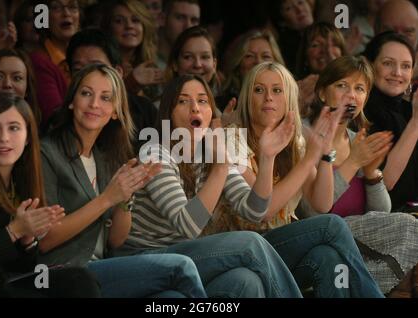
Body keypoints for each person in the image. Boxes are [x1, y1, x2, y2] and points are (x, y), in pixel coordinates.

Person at [114, 73, 305, 298]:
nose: (195, 108)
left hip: (182, 260)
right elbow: (187, 225)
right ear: (169, 113)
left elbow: (255, 210)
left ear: (210, 112)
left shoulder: (212, 152)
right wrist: (221, 166)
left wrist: (267, 157)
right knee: (249, 243)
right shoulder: (156, 153)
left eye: (203, 101)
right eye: (183, 101)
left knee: (246, 281)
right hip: (142, 260)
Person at [203, 61, 384, 297]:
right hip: (239, 248)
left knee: (325, 257)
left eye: (277, 90)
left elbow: (321, 204)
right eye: (259, 90)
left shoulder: (295, 140)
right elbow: (261, 213)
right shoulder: (231, 139)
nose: (269, 97)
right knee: (333, 225)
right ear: (247, 97)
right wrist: (309, 159)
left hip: (276, 247)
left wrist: (325, 153)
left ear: (288, 98)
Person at [38, 63, 207, 298]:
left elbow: (116, 240)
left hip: (102, 268)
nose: (94, 104)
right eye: (86, 93)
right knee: (182, 266)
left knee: (172, 299)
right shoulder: (46, 153)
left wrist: (124, 198)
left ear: (116, 111)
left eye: (106, 98)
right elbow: (45, 240)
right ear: (71, 101)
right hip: (62, 273)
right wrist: (107, 198)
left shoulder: (106, 158)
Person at [300, 55, 418, 296]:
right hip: (315, 240)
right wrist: (353, 162)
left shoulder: (358, 141)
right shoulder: (302, 138)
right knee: (408, 224)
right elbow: (312, 212)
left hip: (357, 249)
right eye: (342, 85)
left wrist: (371, 172)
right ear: (323, 93)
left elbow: (380, 214)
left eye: (359, 88)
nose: (351, 95)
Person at [0, 92, 100, 297]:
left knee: (79, 280)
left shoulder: (21, 180)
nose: (4, 138)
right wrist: (14, 231)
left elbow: (23, 266)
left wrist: (28, 240)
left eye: (14, 128)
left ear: (28, 136)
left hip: (8, 280)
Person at [362, 31, 418, 212]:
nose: (397, 73)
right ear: (370, 65)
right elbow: (385, 182)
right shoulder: (361, 112)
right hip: (387, 221)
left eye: (406, 66)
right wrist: (416, 124)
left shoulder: (408, 109)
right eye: (388, 63)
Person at [29, 0, 81, 124]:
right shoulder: (39, 62)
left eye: (73, 7)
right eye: (56, 8)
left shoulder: (86, 55)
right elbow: (56, 119)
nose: (66, 13)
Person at [101, 0, 163, 101]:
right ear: (108, 28)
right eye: (119, 21)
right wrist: (131, 83)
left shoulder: (151, 66)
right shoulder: (101, 65)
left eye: (135, 20)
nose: (129, 26)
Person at [218, 29, 285, 112]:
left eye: (266, 56)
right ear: (238, 64)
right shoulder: (221, 104)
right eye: (249, 56)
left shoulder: (287, 100)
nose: (258, 62)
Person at [157, 0, 201, 68]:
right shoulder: (145, 61)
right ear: (162, 19)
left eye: (194, 20)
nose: (188, 26)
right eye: (180, 18)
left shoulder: (198, 67)